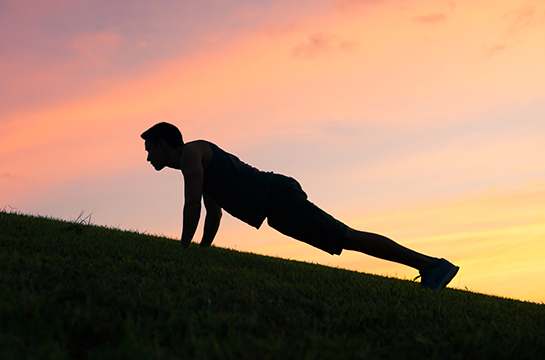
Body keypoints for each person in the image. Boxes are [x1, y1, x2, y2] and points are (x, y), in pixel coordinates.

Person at [141, 122, 459, 291]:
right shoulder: (194, 163)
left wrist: (182, 249)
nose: (148, 157)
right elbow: (213, 212)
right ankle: (431, 266)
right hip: (274, 205)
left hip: (277, 196)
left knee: (345, 236)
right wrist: (202, 250)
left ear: (162, 145)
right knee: (342, 239)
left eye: (149, 150)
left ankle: (431, 265)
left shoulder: (191, 154)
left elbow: (192, 206)